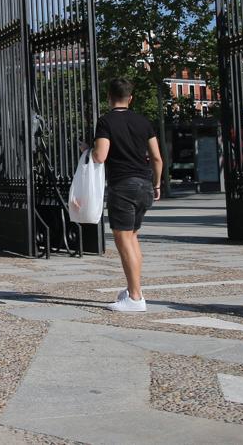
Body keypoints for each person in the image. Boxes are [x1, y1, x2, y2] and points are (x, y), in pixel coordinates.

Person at [92, 77, 163, 312]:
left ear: (109, 97)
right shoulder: (144, 122)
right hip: (144, 184)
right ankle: (135, 290)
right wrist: (157, 184)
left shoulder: (106, 122)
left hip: (123, 186)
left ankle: (134, 297)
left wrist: (88, 150)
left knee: (123, 241)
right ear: (130, 98)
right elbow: (156, 158)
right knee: (133, 238)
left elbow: (101, 156)